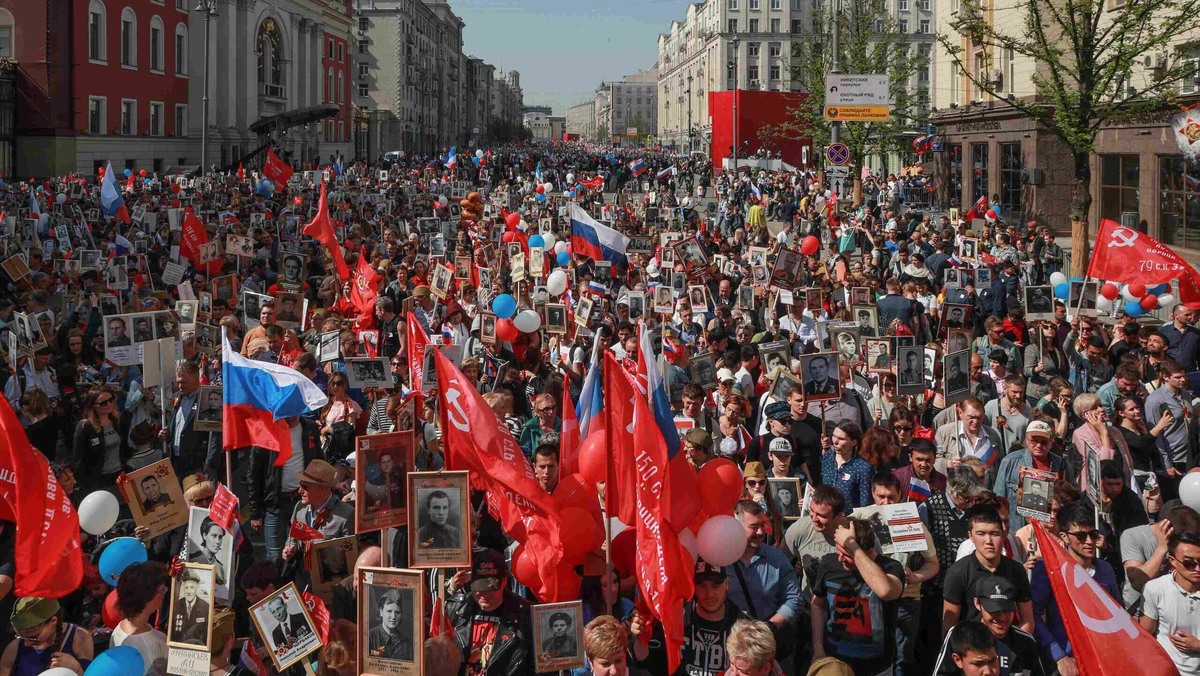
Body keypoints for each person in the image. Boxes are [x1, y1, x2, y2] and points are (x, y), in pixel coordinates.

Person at [1031, 503, 1118, 676]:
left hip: (1102, 661)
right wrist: (1058, 655)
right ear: (1064, 536)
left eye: (1093, 535)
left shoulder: (1106, 569)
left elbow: (1118, 615)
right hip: (1067, 663)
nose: (1089, 541)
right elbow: (1033, 615)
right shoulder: (1048, 569)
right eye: (1080, 536)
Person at [810, 519, 906, 674]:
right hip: (836, 664)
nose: (840, 559)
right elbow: (818, 604)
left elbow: (885, 591)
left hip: (877, 668)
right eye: (838, 551)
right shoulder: (828, 563)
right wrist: (818, 649)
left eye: (847, 554)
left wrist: (853, 547)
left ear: (867, 551)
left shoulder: (891, 568)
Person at [723, 500, 802, 667]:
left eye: (763, 525)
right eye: (753, 526)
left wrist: (771, 627)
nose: (760, 532)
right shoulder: (721, 558)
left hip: (770, 650)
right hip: (730, 649)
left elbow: (794, 598)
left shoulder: (777, 559)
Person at [941, 506, 1034, 637]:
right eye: (981, 534)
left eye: (994, 534)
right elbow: (949, 626)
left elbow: (1028, 621)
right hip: (971, 649)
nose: (988, 541)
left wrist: (1012, 648)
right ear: (971, 536)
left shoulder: (1016, 570)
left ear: (1003, 534)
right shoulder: (958, 572)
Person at [445, 548, 533, 675]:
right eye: (478, 587)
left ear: (504, 581)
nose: (483, 595)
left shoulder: (525, 614)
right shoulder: (455, 608)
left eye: (490, 588)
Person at [1139, 531, 1200, 674]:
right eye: (1189, 563)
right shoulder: (1155, 589)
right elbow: (1145, 637)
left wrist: (1198, 645)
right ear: (1172, 561)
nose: (1197, 569)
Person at [0, 597, 93, 676]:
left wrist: (76, 669)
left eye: (34, 637)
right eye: (21, 637)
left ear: (53, 621)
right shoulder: (14, 647)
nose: (27, 644)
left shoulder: (79, 637)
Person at [110, 561, 169, 676]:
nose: (164, 593)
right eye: (162, 590)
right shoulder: (154, 641)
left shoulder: (119, 628)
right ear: (147, 597)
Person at [367, 589, 413, 660]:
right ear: (381, 612)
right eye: (389, 611)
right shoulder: (369, 637)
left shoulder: (406, 643)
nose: (393, 617)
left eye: (397, 612)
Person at [169, 570, 210, 646]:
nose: (189, 591)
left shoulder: (205, 607)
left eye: (192, 587)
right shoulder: (177, 605)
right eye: (186, 588)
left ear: (196, 588)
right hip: (178, 649)